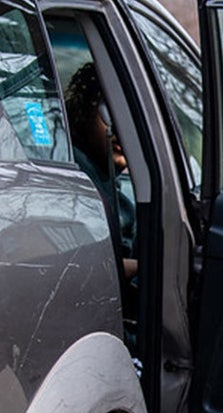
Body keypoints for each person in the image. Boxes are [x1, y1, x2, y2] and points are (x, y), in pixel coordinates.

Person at [65, 62, 137, 281]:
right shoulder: (77, 176)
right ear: (84, 110)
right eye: (111, 111)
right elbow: (88, 268)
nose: (122, 130)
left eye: (134, 120)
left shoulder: (107, 181)